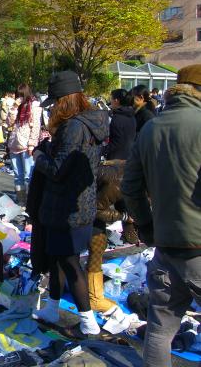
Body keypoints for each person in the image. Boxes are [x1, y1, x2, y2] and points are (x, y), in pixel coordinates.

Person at [121, 64, 201, 367]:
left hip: (165, 245)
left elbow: (130, 188)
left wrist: (147, 226)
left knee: (159, 330)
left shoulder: (151, 128)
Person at [32, 70, 108, 338]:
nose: (52, 107)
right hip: (77, 204)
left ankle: (88, 321)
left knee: (70, 263)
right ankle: (52, 308)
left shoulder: (74, 127)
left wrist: (38, 155)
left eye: (54, 102)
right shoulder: (88, 123)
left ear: (63, 100)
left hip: (66, 208)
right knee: (57, 259)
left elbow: (57, 169)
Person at [88, 160, 137, 313]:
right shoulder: (117, 181)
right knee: (97, 244)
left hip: (95, 200)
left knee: (97, 245)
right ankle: (94, 298)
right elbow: (95, 209)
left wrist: (130, 226)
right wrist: (124, 217)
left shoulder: (136, 178)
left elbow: (125, 203)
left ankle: (90, 290)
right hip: (81, 204)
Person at [7, 84, 42, 206]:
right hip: (14, 144)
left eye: (21, 95)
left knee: (28, 175)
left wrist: (32, 144)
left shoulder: (35, 106)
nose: (19, 98)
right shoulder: (16, 107)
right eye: (18, 95)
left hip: (27, 145)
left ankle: (30, 201)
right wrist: (14, 107)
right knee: (18, 175)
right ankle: (21, 201)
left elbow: (36, 127)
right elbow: (9, 123)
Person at [105, 88, 136, 160]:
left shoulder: (117, 118)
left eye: (111, 99)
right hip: (129, 155)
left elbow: (116, 142)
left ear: (116, 100)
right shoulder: (131, 115)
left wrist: (103, 150)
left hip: (116, 158)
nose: (110, 101)